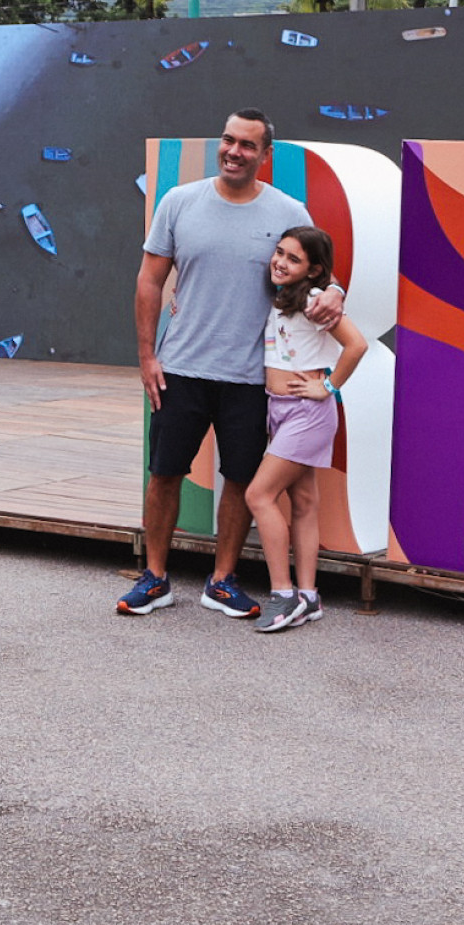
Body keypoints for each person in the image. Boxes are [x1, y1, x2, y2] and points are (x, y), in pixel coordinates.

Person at [122, 109, 343, 618]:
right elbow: (149, 281)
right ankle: (155, 577)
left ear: (265, 156)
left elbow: (318, 273)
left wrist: (334, 290)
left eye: (247, 145)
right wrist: (147, 355)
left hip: (251, 377)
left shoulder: (289, 210)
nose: (234, 151)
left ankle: (222, 580)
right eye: (228, 140)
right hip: (181, 368)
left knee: (242, 480)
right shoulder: (180, 202)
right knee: (164, 473)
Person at [246, 227, 367, 632]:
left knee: (259, 494)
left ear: (314, 270)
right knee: (303, 502)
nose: (280, 262)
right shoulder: (284, 296)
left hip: (306, 412)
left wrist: (328, 386)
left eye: (293, 259)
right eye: (279, 253)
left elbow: (357, 345)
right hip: (281, 409)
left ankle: (284, 594)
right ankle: (309, 596)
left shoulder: (315, 300)